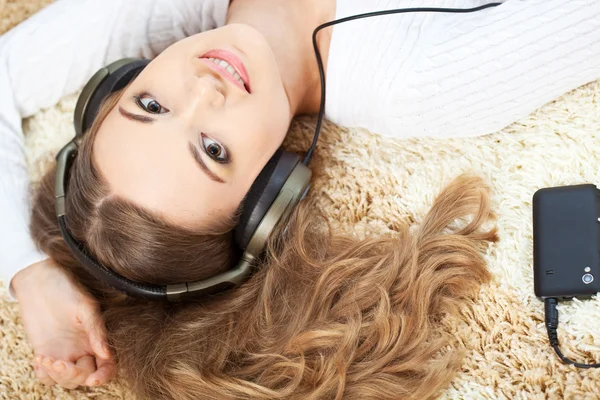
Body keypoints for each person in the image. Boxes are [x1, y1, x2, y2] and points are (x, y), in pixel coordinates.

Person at [1, 0, 598, 396]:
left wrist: (26, 269)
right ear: (272, 189)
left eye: (150, 106)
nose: (203, 92)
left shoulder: (165, 12)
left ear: (117, 82)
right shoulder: (428, 81)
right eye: (212, 150)